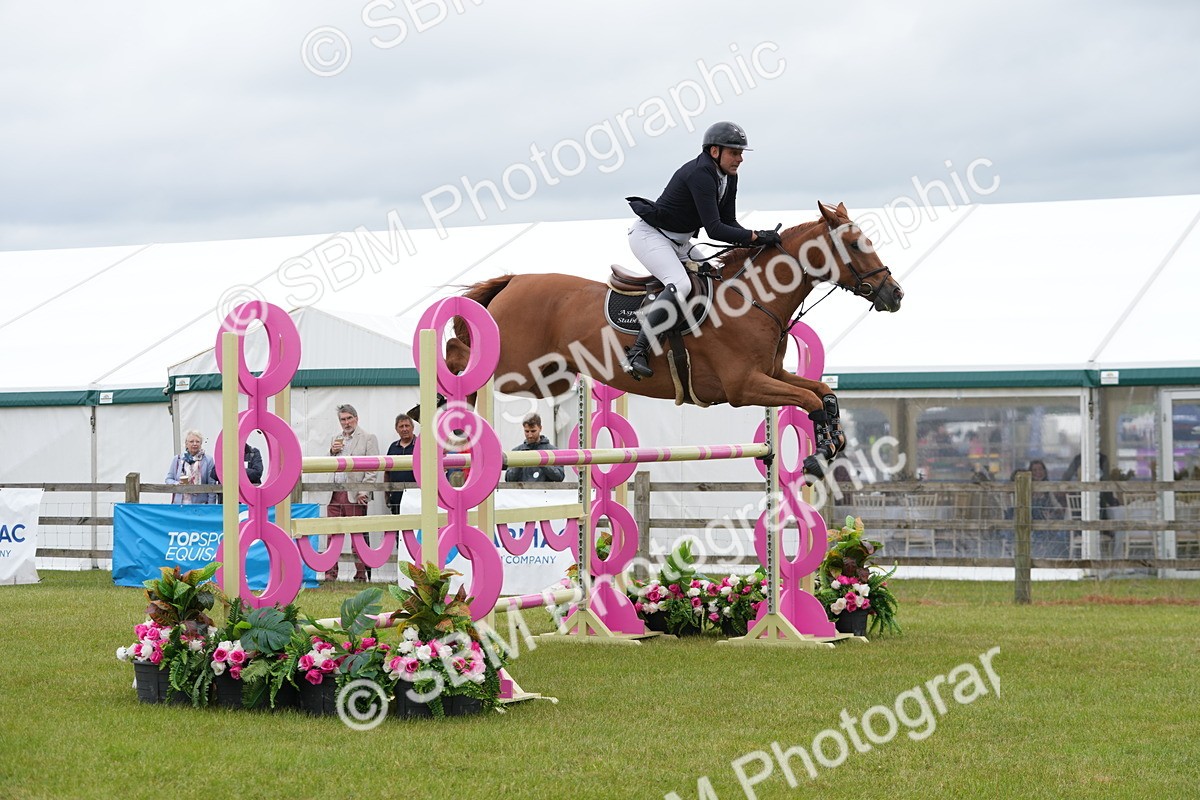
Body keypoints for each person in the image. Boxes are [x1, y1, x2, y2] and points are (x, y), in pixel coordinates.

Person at [621, 121, 780, 380]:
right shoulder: (700, 174)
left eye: (741, 153)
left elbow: (730, 223)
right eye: (734, 152)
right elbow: (715, 229)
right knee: (680, 285)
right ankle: (637, 352)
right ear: (714, 151)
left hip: (680, 243)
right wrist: (755, 236)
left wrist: (757, 240)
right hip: (651, 237)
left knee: (717, 277)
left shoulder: (729, 177)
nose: (740, 159)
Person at [325, 404, 379, 582]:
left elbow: (373, 469)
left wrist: (364, 492)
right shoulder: (335, 438)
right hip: (334, 493)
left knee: (357, 537)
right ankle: (330, 575)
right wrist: (332, 453)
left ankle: (361, 576)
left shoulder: (368, 438)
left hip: (355, 494)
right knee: (332, 535)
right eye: (343, 419)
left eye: (349, 418)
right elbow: (328, 465)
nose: (346, 422)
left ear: (356, 418)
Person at [504, 413, 565, 483]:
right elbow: (509, 479)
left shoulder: (554, 451)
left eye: (533, 431)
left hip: (543, 493)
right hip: (523, 492)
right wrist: (519, 463)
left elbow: (560, 477)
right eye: (526, 431)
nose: (530, 435)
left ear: (540, 428)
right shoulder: (516, 451)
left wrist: (542, 462)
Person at [165, 430, 219, 504]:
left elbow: (211, 485)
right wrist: (178, 483)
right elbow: (168, 479)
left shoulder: (208, 460)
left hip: (201, 505)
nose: (194, 444)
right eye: (191, 441)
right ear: (186, 444)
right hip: (179, 505)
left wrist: (210, 507)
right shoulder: (177, 459)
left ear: (201, 444)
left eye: (197, 441)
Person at [385, 413, 416, 513]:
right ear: (396, 429)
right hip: (396, 495)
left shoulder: (420, 445)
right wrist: (386, 492)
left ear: (413, 427)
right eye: (401, 426)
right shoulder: (393, 447)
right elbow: (387, 472)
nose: (404, 429)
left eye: (407, 426)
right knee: (397, 525)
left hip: (417, 495)